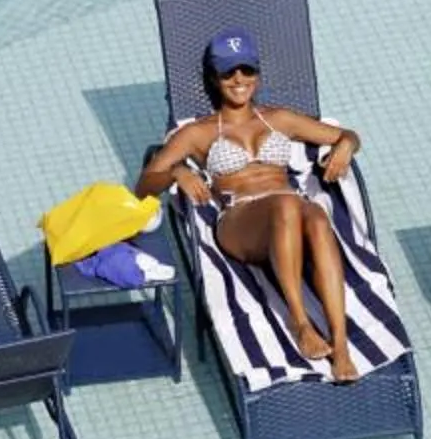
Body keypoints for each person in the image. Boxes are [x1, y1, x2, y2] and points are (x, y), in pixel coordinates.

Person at [138, 30, 366, 384]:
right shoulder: (197, 133)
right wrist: (177, 173)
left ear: (257, 74)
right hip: (240, 222)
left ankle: (340, 343)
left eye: (246, 70)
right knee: (287, 208)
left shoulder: (279, 118)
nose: (239, 80)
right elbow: (144, 185)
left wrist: (347, 146)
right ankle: (300, 322)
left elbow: (345, 135)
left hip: (289, 211)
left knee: (318, 217)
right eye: (228, 73)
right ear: (214, 78)